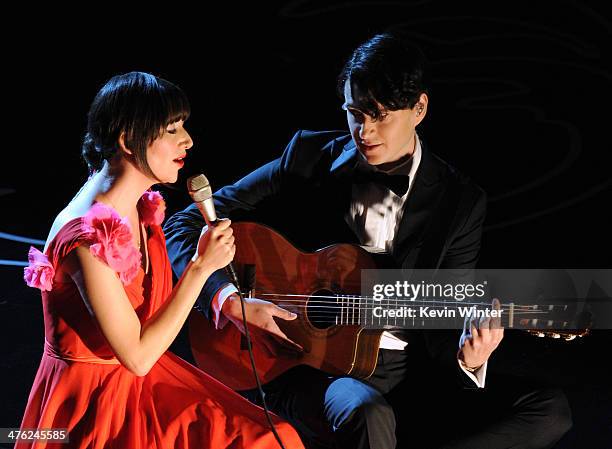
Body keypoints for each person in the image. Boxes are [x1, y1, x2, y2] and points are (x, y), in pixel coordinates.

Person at [164, 34, 572, 449]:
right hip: (308, 364)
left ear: (420, 109)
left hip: (406, 370)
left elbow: (446, 314)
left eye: (379, 115)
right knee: (367, 412)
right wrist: (228, 299)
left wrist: (470, 359)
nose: (365, 130)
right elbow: (179, 225)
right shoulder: (309, 156)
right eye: (355, 113)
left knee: (548, 409)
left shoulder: (460, 202)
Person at [18, 72, 304, 449]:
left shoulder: (139, 207)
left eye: (182, 126)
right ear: (126, 140)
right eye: (171, 129)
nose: (187, 140)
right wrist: (201, 268)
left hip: (143, 381)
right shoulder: (86, 237)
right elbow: (136, 356)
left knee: (270, 436)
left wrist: (233, 305)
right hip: (93, 402)